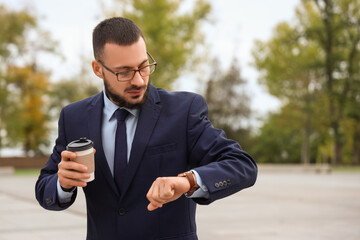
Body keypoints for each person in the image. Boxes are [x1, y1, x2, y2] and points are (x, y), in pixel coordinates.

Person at [35, 17, 257, 240]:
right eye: (124, 72)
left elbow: (242, 165)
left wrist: (187, 182)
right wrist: (62, 184)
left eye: (143, 66)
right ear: (98, 69)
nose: (139, 80)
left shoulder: (185, 111)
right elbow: (45, 187)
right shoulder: (73, 117)